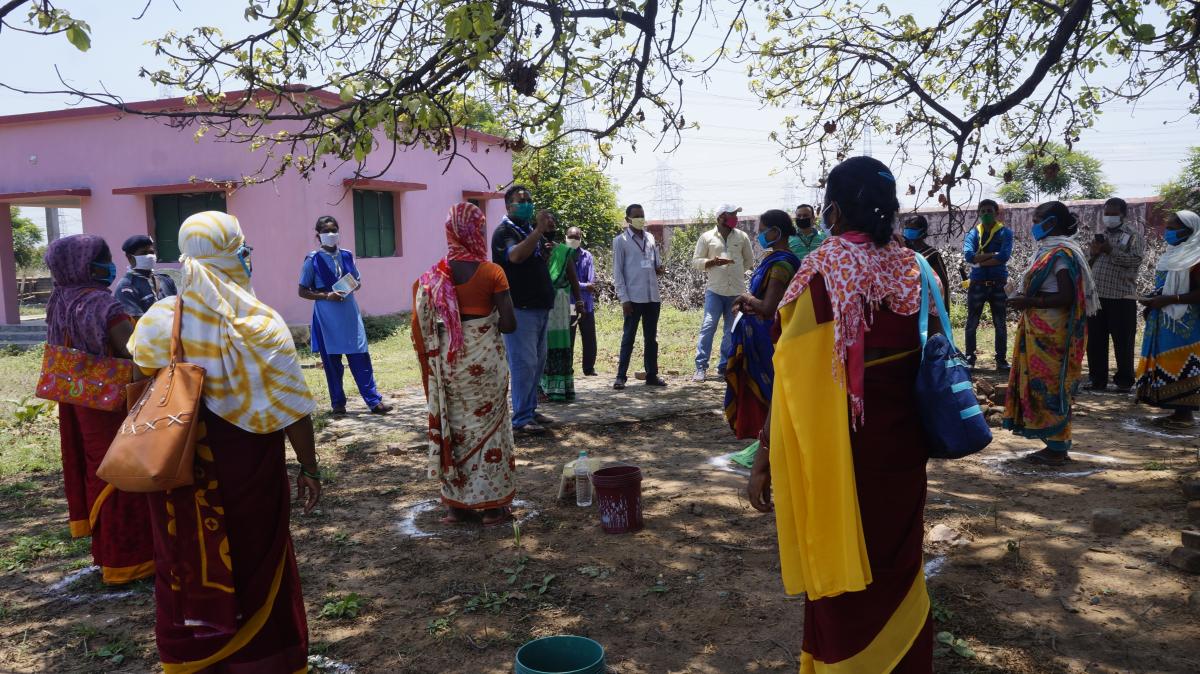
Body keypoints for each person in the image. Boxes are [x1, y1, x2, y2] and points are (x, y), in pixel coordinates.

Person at [747, 157, 932, 671]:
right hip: (904, 448)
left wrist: (764, 455)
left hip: (844, 452)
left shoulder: (824, 272)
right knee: (898, 564)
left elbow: (792, 379)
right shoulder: (915, 268)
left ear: (832, 209)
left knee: (843, 571)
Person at [128, 211, 321, 672]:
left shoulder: (160, 319)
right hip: (248, 468)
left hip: (178, 464)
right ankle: (266, 657)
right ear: (234, 254)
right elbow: (293, 410)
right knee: (257, 557)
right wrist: (310, 468)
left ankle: (192, 657)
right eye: (242, 247)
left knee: (183, 557)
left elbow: (138, 382)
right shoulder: (260, 324)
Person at [44, 235, 155, 585]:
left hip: (78, 402)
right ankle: (132, 558)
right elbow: (134, 351)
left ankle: (107, 554)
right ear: (87, 266)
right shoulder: (103, 305)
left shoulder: (58, 301)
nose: (108, 267)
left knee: (96, 470)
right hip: (113, 403)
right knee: (126, 473)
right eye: (104, 259)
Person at [412, 203, 518, 526]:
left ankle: (457, 508)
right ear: (477, 232)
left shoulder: (433, 277)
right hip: (485, 365)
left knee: (455, 428)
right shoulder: (491, 272)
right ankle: (491, 508)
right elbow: (510, 323)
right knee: (491, 429)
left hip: (451, 367)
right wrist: (486, 326)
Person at [1003, 201, 1099, 465]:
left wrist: (1030, 302)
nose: (1033, 225)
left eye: (1037, 220)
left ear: (1052, 223)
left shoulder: (1060, 253)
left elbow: (1067, 296)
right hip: (1040, 327)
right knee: (1044, 383)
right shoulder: (1047, 251)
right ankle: (1054, 444)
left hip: (1053, 332)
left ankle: (1057, 447)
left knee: (1052, 385)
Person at [724, 210, 800, 469]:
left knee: (772, 394)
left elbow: (769, 308)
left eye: (763, 229)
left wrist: (745, 298)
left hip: (770, 338)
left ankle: (774, 446)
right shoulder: (772, 260)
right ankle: (767, 443)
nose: (759, 235)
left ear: (776, 232)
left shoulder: (781, 264)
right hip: (759, 335)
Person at [298, 215, 392, 415]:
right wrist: (326, 295)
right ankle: (338, 404)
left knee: (360, 357)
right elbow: (303, 291)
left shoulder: (348, 255)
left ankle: (374, 401)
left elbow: (357, 280)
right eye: (325, 231)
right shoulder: (312, 260)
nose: (330, 234)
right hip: (327, 317)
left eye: (334, 230)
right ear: (318, 235)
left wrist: (353, 285)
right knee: (332, 363)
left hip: (349, 314)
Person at [492, 185, 556, 434]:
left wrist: (544, 249)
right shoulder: (504, 231)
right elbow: (515, 257)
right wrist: (539, 230)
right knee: (523, 363)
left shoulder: (527, 230)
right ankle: (520, 418)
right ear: (509, 206)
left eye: (530, 199)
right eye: (522, 201)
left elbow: (530, 262)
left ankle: (529, 409)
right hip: (520, 307)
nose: (528, 204)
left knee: (537, 363)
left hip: (539, 306)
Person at [1135, 210, 1200, 429]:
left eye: (1173, 228)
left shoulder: (1196, 257)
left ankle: (1185, 414)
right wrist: (1153, 299)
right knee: (1169, 363)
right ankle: (1177, 411)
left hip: (1186, 324)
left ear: (1189, 231)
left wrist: (1170, 299)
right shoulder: (1171, 254)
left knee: (1183, 363)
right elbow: (1164, 287)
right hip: (1165, 319)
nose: (1168, 232)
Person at [1086, 197, 1145, 392]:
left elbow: (1135, 260)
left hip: (1121, 297)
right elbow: (1089, 264)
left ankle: (1125, 381)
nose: (1109, 217)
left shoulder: (1133, 235)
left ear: (1123, 214)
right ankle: (1097, 380)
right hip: (1098, 296)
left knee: (1123, 342)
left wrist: (1110, 250)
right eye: (1107, 213)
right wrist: (1094, 253)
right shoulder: (1100, 235)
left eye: (1113, 213)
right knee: (1095, 341)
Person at [692, 204, 755, 381]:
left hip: (736, 291)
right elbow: (696, 261)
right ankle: (700, 367)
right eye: (732, 215)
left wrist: (736, 273)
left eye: (736, 214)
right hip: (715, 290)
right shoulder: (707, 237)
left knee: (730, 330)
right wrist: (712, 262)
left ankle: (724, 366)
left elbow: (749, 261)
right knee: (708, 326)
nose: (736, 218)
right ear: (721, 217)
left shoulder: (742, 236)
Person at [612, 204, 668, 389]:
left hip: (652, 296)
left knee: (651, 338)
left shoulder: (650, 237)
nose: (640, 219)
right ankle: (621, 376)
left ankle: (651, 374)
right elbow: (618, 272)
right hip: (633, 297)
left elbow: (655, 263)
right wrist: (624, 299)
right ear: (627, 219)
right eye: (636, 216)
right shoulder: (620, 241)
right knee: (629, 336)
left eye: (642, 215)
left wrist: (659, 269)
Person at [539, 211, 586, 402]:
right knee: (542, 346)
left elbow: (573, 278)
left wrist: (580, 301)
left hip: (559, 305)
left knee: (559, 344)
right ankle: (541, 388)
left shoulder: (563, 251)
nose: (549, 229)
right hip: (540, 305)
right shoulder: (532, 249)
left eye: (552, 226)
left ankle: (560, 389)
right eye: (545, 226)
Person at [962, 198, 1013, 371]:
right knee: (972, 323)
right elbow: (969, 256)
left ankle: (1001, 360)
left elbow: (1004, 256)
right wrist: (992, 254)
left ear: (996, 213)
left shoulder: (1006, 233)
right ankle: (969, 358)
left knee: (1000, 323)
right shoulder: (973, 234)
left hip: (998, 284)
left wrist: (980, 261)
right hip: (977, 284)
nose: (985, 214)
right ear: (978, 213)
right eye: (982, 211)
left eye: (989, 211)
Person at [113, 234, 177, 321]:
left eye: (151, 252)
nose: (149, 256)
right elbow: (137, 322)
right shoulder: (126, 287)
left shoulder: (166, 280)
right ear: (130, 257)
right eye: (143, 253)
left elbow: (177, 310)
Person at [567, 226, 598, 377]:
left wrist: (580, 285)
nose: (573, 240)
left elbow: (593, 282)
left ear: (581, 239)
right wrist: (584, 285)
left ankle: (589, 368)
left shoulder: (587, 256)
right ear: (566, 238)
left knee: (589, 337)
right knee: (569, 338)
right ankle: (568, 368)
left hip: (586, 304)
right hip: (569, 305)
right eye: (571, 237)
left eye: (576, 238)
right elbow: (565, 282)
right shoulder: (562, 256)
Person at [902, 214, 950, 310]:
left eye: (912, 229)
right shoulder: (902, 253)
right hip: (907, 304)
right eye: (906, 228)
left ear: (923, 232)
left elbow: (943, 283)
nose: (908, 231)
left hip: (927, 305)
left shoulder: (932, 255)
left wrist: (944, 311)